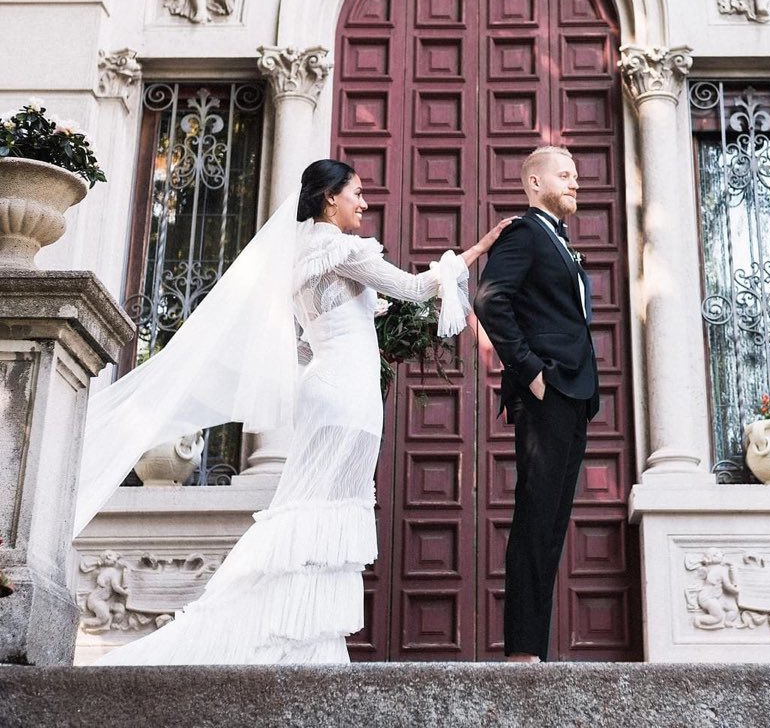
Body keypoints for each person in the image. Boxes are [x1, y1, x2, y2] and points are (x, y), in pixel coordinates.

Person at [75, 158, 509, 664]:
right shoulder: (339, 247)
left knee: (316, 511)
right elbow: (414, 289)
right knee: (317, 511)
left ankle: (310, 646)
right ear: (329, 198)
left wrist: (359, 348)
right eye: (357, 193)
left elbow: (307, 344)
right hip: (345, 396)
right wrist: (478, 248)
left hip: (331, 387)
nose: (364, 203)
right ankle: (268, 635)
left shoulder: (305, 255)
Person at [472, 145, 599, 663]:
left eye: (576, 174)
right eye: (564, 175)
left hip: (574, 394)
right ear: (533, 184)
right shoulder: (525, 233)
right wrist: (531, 373)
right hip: (547, 392)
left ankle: (533, 650)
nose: (575, 182)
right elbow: (489, 299)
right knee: (535, 518)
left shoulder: (561, 241)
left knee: (550, 523)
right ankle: (522, 651)